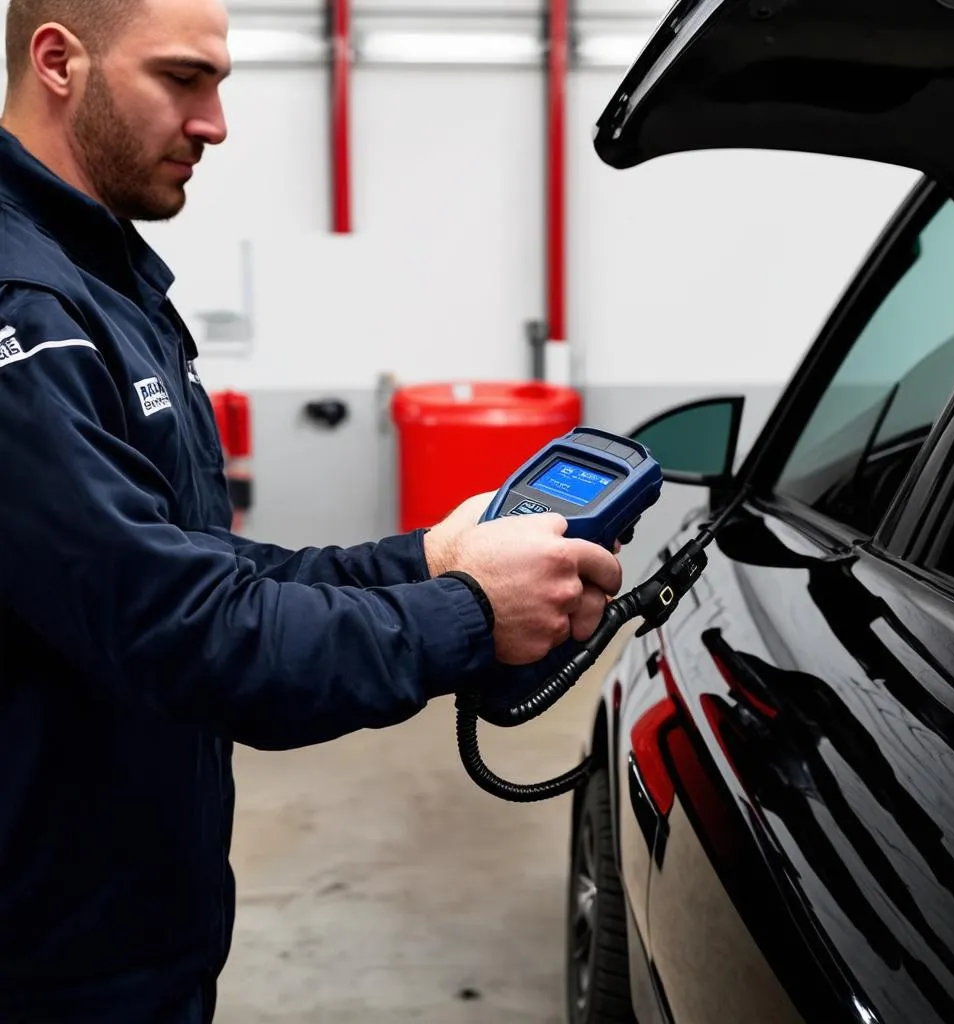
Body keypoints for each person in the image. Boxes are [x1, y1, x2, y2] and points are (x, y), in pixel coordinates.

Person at [0, 0, 623, 1020]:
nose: (216, 123)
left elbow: (204, 571)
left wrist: (426, 557)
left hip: (126, 918)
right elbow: (186, 633)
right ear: (59, 61)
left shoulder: (103, 286)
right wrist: (470, 612)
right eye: (184, 78)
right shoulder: (26, 313)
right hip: (51, 960)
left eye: (221, 84)